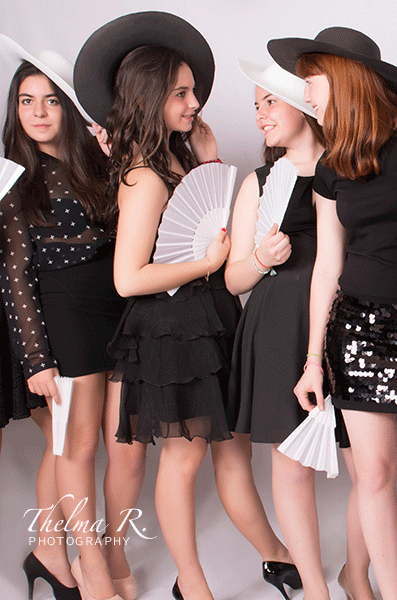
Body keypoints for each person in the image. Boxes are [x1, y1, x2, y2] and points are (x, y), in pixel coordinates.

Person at [73, 12, 298, 600]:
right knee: (184, 459)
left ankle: (276, 555)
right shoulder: (143, 177)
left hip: (211, 318)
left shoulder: (183, 157)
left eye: (193, 91)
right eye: (181, 93)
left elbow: (212, 216)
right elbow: (128, 279)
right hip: (171, 329)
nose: (196, 102)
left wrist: (211, 156)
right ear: (150, 98)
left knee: (232, 452)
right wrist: (205, 264)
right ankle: (192, 584)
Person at [268, 26, 397, 600]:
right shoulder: (332, 162)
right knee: (373, 476)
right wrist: (312, 360)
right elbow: (328, 264)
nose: (306, 95)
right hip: (356, 333)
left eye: (311, 81)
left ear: (344, 77)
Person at [225, 60, 376, 600]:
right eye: (256, 105)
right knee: (291, 467)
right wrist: (261, 258)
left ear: (302, 99)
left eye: (270, 101)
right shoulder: (260, 182)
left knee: (371, 468)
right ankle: (315, 588)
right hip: (279, 327)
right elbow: (234, 278)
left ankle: (356, 573)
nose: (260, 115)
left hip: (350, 322)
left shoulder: (353, 170)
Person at [0, 36, 145, 600]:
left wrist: (118, 161)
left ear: (69, 105)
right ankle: (92, 569)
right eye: (26, 101)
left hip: (117, 308)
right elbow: (14, 273)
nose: (38, 112)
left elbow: (135, 227)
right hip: (62, 316)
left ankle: (50, 553)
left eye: (50, 100)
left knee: (106, 446)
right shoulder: (13, 179)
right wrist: (36, 359)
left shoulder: (96, 161)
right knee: (74, 447)